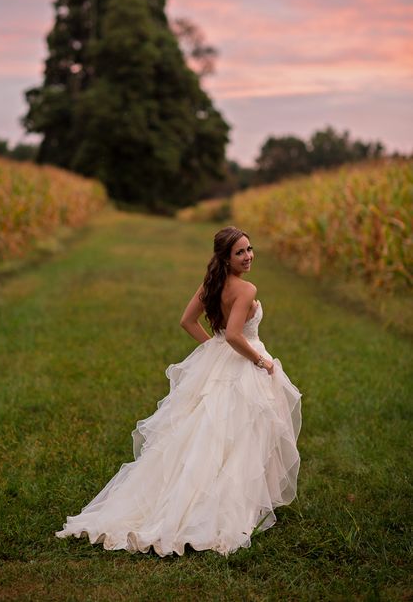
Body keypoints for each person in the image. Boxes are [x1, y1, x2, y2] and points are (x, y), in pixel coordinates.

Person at [55, 226, 302, 557]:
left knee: (213, 432)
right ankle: (221, 507)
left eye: (249, 249)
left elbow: (189, 322)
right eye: (240, 252)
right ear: (226, 258)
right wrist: (261, 361)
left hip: (222, 362)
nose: (248, 256)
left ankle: (205, 497)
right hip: (245, 362)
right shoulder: (245, 289)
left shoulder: (212, 285)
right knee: (238, 434)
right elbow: (232, 335)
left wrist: (211, 351)